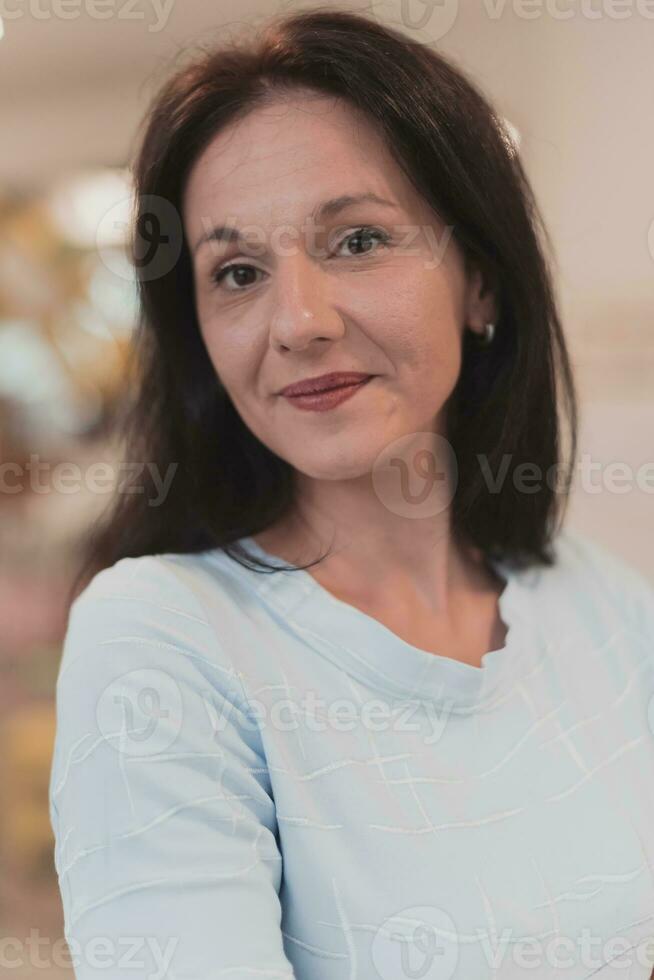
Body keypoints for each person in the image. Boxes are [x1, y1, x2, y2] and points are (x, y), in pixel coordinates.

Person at [49, 7, 654, 979]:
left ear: (482, 283)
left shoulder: (606, 607)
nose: (297, 320)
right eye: (237, 271)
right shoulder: (163, 640)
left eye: (358, 240)